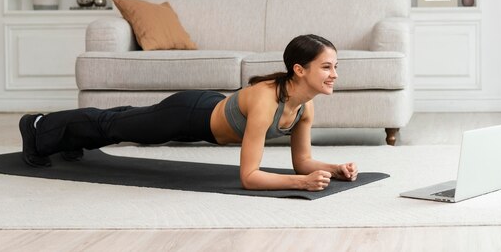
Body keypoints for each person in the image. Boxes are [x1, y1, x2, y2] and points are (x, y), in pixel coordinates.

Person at [19, 34, 358, 192]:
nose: (334, 74)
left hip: (207, 113)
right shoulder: (267, 100)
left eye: (335, 66)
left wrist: (334, 169)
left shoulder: (304, 106)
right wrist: (301, 183)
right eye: (326, 66)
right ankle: (37, 126)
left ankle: (69, 137)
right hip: (188, 113)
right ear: (299, 69)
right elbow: (249, 176)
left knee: (124, 119)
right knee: (117, 125)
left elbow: (303, 161)